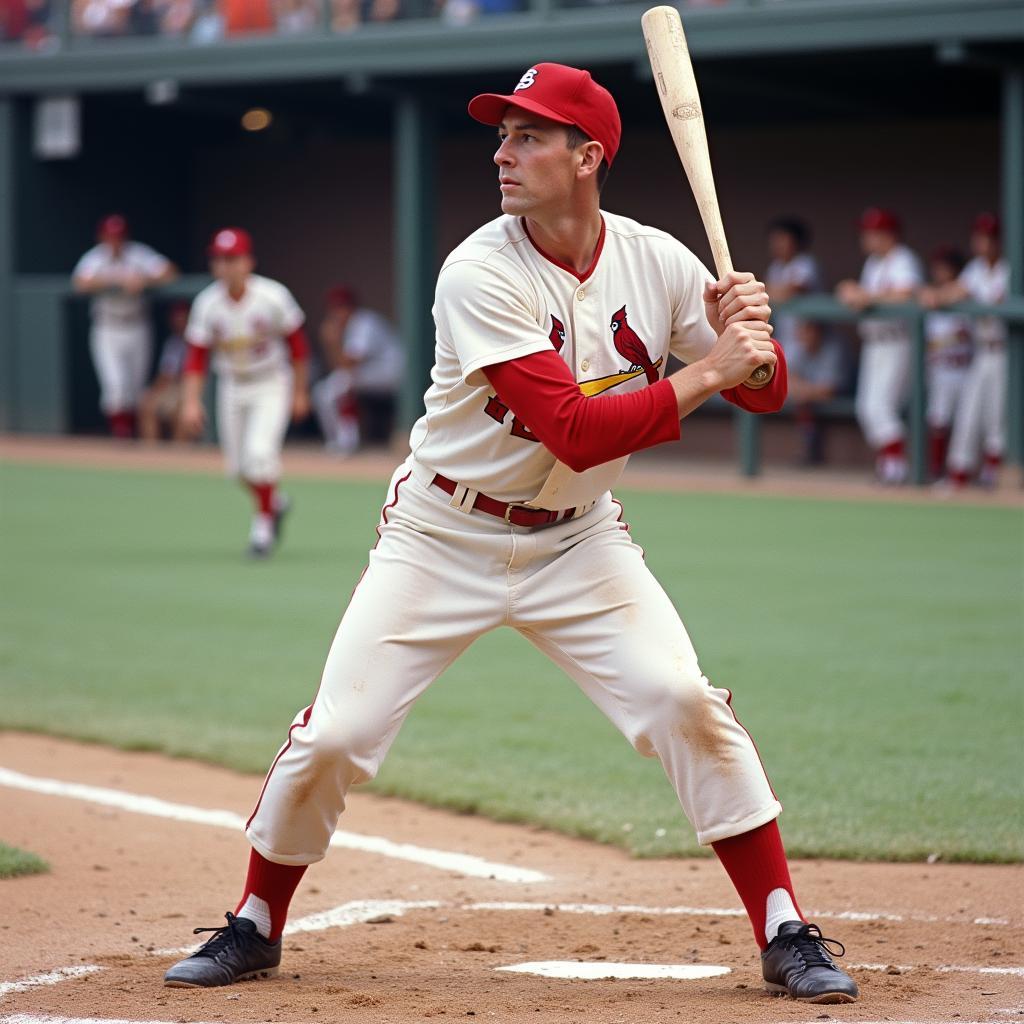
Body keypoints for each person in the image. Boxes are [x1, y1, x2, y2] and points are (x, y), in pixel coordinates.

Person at [163, 63, 858, 1004]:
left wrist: (746, 332)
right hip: (442, 534)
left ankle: (784, 926)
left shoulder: (655, 259)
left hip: (580, 541)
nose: (503, 152)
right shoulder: (477, 269)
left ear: (588, 157)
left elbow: (763, 388)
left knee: (682, 701)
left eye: (529, 135)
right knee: (339, 736)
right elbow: (574, 427)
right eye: (503, 133)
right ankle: (256, 922)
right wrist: (712, 371)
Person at [179, 227, 311, 558]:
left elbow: (298, 347)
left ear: (248, 262)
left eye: (232, 258)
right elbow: (196, 357)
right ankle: (275, 502)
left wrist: (299, 392)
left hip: (270, 382)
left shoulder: (272, 296)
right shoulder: (207, 303)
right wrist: (191, 402)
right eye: (220, 259)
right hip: (232, 384)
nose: (225, 266)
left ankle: (262, 532)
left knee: (259, 455)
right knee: (238, 470)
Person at [836, 208, 923, 485]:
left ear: (888, 235)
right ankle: (890, 464)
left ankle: (897, 467)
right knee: (867, 407)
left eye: (873, 232)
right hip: (875, 343)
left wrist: (867, 296)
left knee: (880, 407)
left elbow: (906, 293)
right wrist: (851, 290)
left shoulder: (903, 259)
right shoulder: (874, 262)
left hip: (898, 342)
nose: (867, 237)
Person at [72, 214, 178, 438]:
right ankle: (121, 436)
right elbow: (80, 282)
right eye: (110, 237)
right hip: (107, 326)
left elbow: (170, 272)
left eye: (118, 237)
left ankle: (132, 438)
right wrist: (116, 282)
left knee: (136, 387)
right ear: (101, 237)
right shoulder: (95, 258)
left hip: (137, 323)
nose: (115, 242)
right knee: (115, 386)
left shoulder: (138, 254)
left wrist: (145, 280)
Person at [933, 213, 1009, 488]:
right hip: (982, 351)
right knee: (969, 413)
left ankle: (993, 478)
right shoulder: (976, 269)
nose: (984, 243)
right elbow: (956, 290)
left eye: (989, 237)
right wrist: (938, 295)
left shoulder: (1010, 269)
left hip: (1007, 352)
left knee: (997, 417)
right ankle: (958, 476)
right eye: (980, 237)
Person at [311, 285, 404, 454]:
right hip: (374, 372)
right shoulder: (349, 326)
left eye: (343, 307)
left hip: (391, 372)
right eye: (335, 308)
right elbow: (342, 366)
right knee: (330, 389)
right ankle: (341, 440)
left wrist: (332, 342)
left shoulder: (363, 322)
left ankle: (346, 442)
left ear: (352, 307)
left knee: (332, 389)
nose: (338, 313)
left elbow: (350, 362)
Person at [918, 246, 972, 480]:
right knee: (938, 420)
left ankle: (962, 474)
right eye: (938, 267)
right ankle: (936, 471)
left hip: (965, 370)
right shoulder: (929, 297)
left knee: (966, 423)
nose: (941, 272)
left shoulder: (967, 294)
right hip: (940, 370)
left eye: (946, 267)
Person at [783, 320, 846, 466]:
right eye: (801, 330)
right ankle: (808, 449)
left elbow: (828, 391)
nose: (801, 335)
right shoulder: (798, 345)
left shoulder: (833, 347)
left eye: (807, 330)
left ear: (818, 331)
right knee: (802, 401)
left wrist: (801, 389)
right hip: (809, 398)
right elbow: (786, 380)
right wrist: (803, 389)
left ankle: (811, 450)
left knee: (804, 399)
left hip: (845, 391)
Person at [764, 216, 824, 355]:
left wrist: (774, 291)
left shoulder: (806, 263)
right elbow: (765, 292)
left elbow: (792, 290)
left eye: (782, 239)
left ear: (795, 241)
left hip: (807, 334)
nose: (777, 244)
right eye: (775, 240)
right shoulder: (776, 267)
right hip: (785, 331)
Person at [138, 301, 191, 443]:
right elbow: (166, 374)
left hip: (193, 387)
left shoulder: (199, 340)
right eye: (177, 318)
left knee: (181, 412)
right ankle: (152, 455)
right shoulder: (173, 342)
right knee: (147, 405)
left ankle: (179, 454)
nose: (179, 322)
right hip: (174, 387)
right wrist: (153, 393)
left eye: (183, 318)